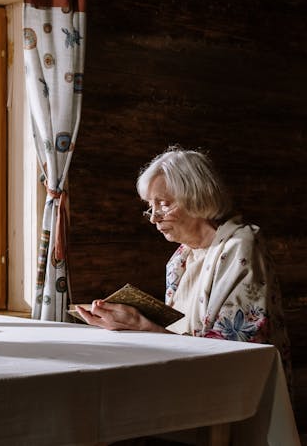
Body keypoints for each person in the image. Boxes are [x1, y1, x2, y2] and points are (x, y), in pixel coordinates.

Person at [75, 147, 291, 368]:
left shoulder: (240, 245)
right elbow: (179, 335)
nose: (154, 218)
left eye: (164, 204)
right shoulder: (181, 257)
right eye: (151, 207)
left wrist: (143, 326)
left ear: (197, 197)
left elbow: (237, 348)